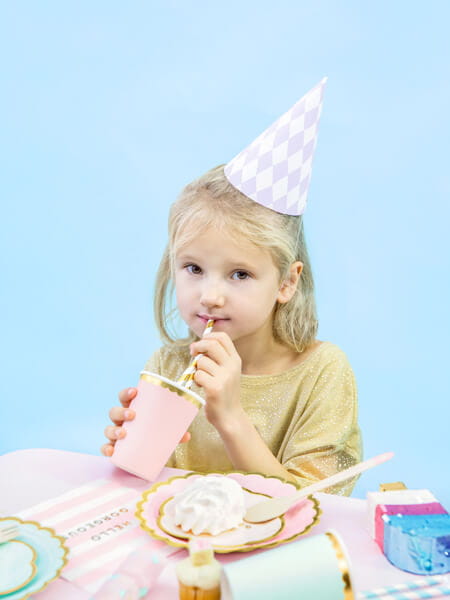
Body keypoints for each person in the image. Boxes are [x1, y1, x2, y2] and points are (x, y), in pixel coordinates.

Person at [101, 164, 362, 494]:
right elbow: (150, 495)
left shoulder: (322, 372)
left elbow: (314, 504)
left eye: (240, 274)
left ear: (286, 282)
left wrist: (230, 418)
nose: (210, 297)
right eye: (194, 268)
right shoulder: (169, 367)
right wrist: (133, 453)